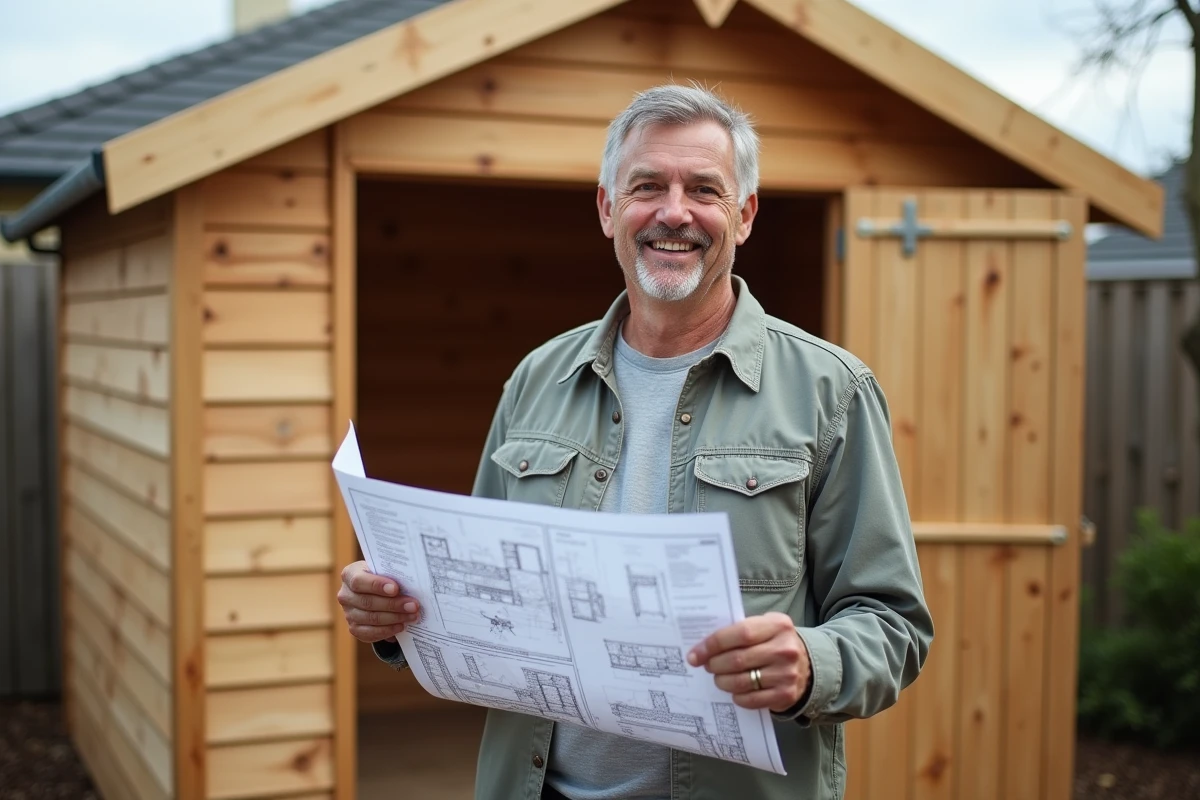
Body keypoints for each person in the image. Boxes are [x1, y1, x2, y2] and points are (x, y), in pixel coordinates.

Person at [337, 84, 933, 800]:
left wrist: (811, 660)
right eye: (647, 185)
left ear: (742, 217)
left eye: (704, 190)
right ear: (607, 209)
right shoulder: (535, 379)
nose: (674, 212)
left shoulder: (831, 392)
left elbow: (894, 627)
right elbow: (476, 593)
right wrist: (392, 619)